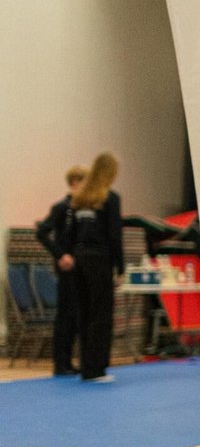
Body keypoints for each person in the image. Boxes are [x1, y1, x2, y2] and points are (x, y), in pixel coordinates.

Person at [58, 153, 123, 383]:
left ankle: (87, 367)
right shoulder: (110, 198)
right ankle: (97, 369)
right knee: (101, 314)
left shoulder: (79, 198)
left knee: (84, 313)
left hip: (79, 259)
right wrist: (120, 267)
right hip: (99, 260)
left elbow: (70, 233)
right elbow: (114, 235)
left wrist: (68, 254)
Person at [35, 164, 88, 376]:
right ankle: (60, 362)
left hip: (81, 267)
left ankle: (69, 360)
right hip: (67, 268)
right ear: (75, 183)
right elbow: (42, 233)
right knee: (65, 316)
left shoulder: (84, 211)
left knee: (76, 317)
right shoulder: (61, 208)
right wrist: (60, 255)